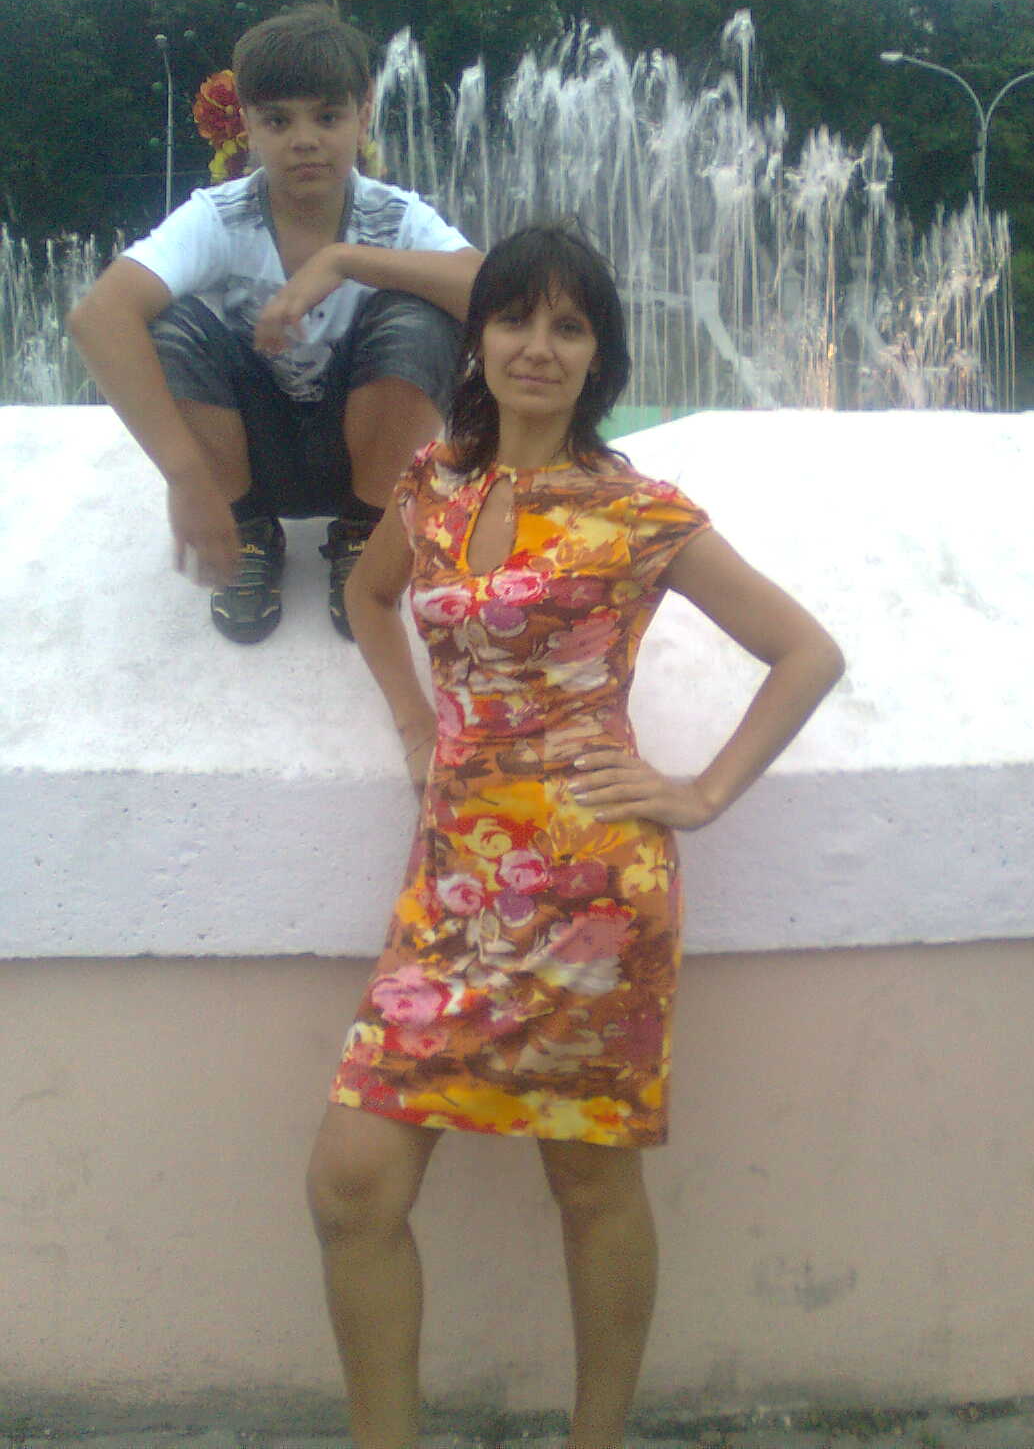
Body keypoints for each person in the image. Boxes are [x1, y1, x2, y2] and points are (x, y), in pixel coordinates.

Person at [305, 224, 845, 1449]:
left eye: (569, 325)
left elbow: (806, 653)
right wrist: (414, 724)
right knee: (351, 1182)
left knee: (590, 1181)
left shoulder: (637, 510)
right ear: (479, 336)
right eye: (515, 318)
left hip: (593, 891)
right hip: (450, 889)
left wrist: (700, 793)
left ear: (600, 354)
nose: (537, 346)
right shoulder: (434, 484)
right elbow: (368, 594)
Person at [69, 0, 482, 643]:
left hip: (362, 457)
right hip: (249, 458)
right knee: (170, 327)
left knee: (420, 320)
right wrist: (185, 477)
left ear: (363, 113)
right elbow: (98, 317)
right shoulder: (220, 217)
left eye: (327, 116)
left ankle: (365, 531)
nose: (305, 139)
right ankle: (248, 532)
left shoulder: (394, 216)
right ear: (248, 127)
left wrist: (344, 260)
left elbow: (495, 293)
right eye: (279, 120)